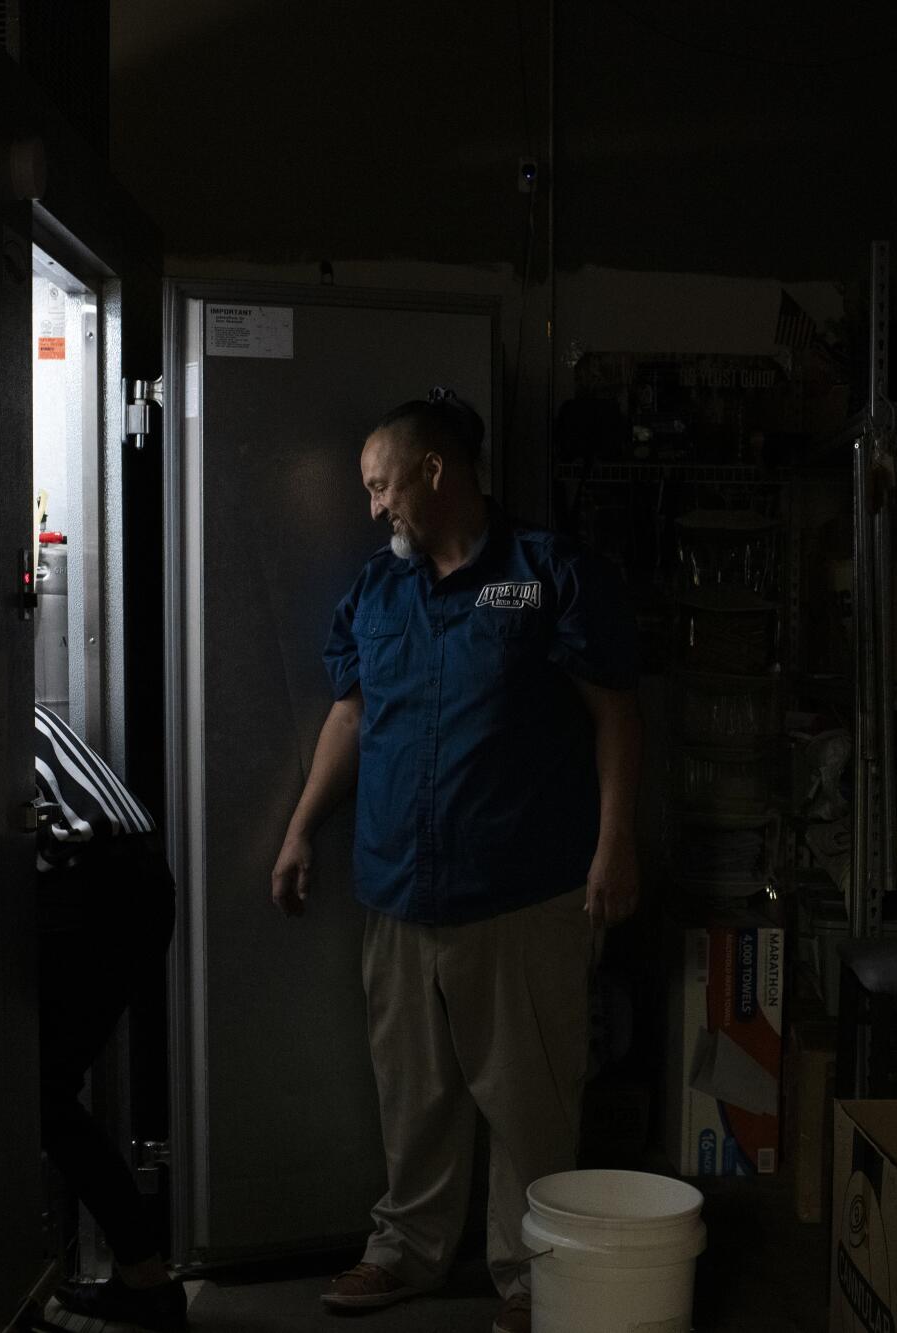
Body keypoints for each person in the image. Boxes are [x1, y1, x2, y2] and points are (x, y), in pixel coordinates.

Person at [271, 390, 642, 1333]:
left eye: (381, 484)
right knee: (415, 1093)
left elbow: (614, 712)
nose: (373, 507)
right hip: (397, 889)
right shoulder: (378, 591)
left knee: (529, 1099)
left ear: (434, 471)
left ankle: (531, 1274)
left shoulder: (543, 571)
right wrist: (301, 826)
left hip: (523, 891)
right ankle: (407, 1250)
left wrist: (614, 842)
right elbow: (350, 715)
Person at [32, 704, 188, 1331]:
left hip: (90, 886)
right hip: (142, 880)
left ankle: (143, 1281)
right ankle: (141, 1278)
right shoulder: (21, 701)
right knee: (45, 1090)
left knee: (38, 1093)